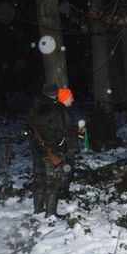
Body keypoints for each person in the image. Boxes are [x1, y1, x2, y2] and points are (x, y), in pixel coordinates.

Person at [27, 85, 78, 217]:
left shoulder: (34, 108)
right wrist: (57, 148)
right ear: (55, 94)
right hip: (51, 151)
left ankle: (38, 209)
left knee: (39, 180)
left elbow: (30, 130)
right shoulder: (53, 110)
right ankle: (50, 213)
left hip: (37, 151)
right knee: (54, 182)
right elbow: (58, 132)